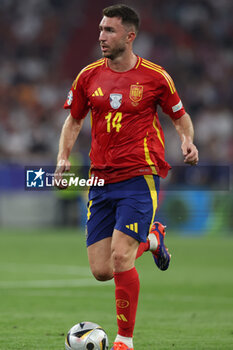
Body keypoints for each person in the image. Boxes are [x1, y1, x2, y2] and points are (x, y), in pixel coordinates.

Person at [55, 4, 199, 350]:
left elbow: (180, 116)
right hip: (100, 180)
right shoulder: (88, 76)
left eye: (109, 30)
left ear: (129, 36)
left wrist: (186, 139)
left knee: (121, 257)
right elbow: (73, 121)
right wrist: (62, 158)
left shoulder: (155, 77)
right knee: (102, 270)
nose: (101, 36)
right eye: (101, 29)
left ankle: (124, 340)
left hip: (140, 176)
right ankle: (153, 240)